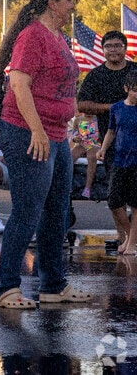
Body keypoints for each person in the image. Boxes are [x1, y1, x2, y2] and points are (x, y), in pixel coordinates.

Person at [0, 0, 92, 309]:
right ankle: (6, 288)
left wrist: (74, 118)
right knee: (28, 211)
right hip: (27, 131)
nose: (72, 5)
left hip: (57, 133)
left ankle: (53, 286)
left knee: (57, 211)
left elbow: (63, 84)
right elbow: (19, 84)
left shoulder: (59, 37)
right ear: (52, 3)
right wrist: (37, 131)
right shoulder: (32, 36)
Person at [77, 30, 137, 244]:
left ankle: (127, 238)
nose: (113, 50)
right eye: (109, 46)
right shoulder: (96, 75)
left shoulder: (134, 71)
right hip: (112, 144)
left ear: (125, 48)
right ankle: (126, 235)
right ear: (103, 50)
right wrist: (110, 108)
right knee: (115, 197)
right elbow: (82, 104)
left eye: (117, 45)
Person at [97, 69, 137, 255]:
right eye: (134, 90)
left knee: (135, 204)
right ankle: (131, 236)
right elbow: (111, 131)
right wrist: (103, 149)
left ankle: (130, 245)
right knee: (114, 200)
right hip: (120, 160)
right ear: (126, 88)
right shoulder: (117, 108)